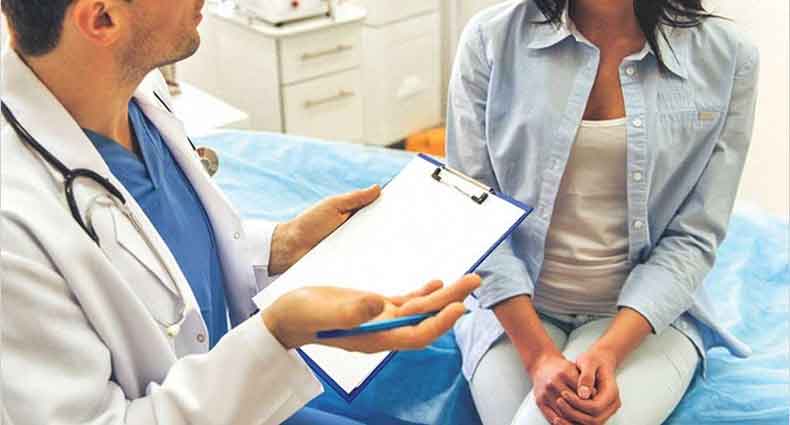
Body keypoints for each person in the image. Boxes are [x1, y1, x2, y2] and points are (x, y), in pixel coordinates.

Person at [0, 1, 482, 424]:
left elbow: (160, 251)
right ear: (103, 19)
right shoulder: (14, 229)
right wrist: (276, 334)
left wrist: (281, 244)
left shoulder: (139, 94)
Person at [446, 1, 759, 424]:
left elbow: (694, 235)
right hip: (514, 312)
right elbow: (473, 213)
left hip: (643, 322)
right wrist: (538, 356)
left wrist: (609, 351)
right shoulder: (489, 38)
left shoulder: (729, 56)